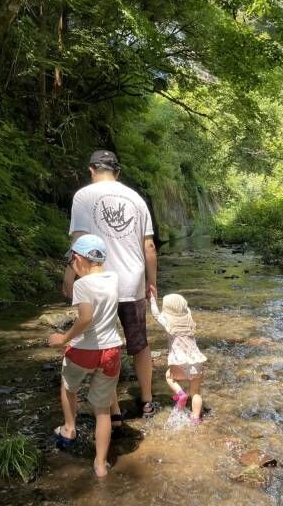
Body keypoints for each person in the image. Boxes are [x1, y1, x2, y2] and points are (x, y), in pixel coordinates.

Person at [64, 149, 158, 418]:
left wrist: (69, 275)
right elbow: (149, 246)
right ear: (118, 172)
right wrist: (152, 283)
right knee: (139, 344)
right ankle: (147, 401)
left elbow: (79, 242)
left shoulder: (83, 196)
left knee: (104, 344)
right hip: (132, 282)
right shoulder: (136, 198)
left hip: (97, 284)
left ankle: (112, 409)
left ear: (92, 170)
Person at [49, 234, 121, 478]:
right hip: (111, 351)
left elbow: (86, 318)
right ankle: (100, 464)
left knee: (68, 386)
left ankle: (69, 428)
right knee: (102, 410)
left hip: (83, 351)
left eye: (71, 262)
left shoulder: (82, 286)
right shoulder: (113, 279)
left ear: (78, 259)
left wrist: (64, 338)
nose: (72, 267)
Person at [149, 291, 206, 423]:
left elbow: (156, 314)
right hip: (197, 363)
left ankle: (180, 394)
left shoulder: (168, 322)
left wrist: (152, 299)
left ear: (167, 309)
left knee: (169, 376)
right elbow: (187, 310)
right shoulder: (189, 319)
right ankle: (196, 418)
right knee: (196, 392)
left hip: (179, 363)